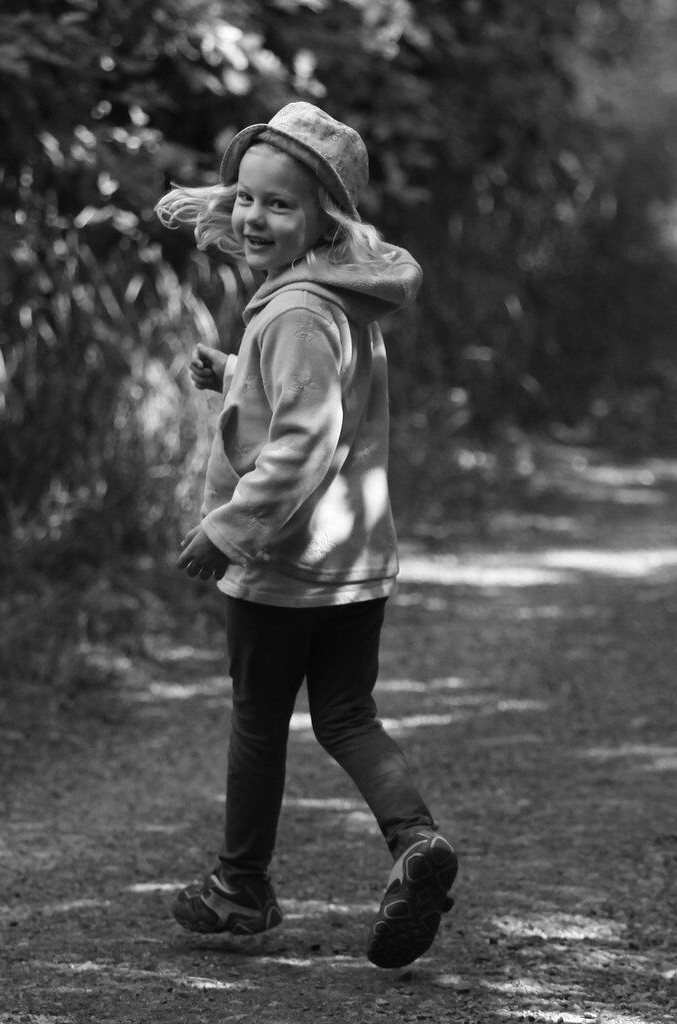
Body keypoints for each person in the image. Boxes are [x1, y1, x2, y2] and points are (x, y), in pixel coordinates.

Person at [154, 101, 457, 970]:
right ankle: (416, 841)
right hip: (353, 563)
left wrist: (228, 529)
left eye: (278, 204)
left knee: (258, 720)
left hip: (284, 562)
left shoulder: (294, 311)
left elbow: (302, 443)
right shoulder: (340, 294)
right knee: (347, 715)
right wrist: (236, 373)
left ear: (324, 218)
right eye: (245, 198)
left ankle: (240, 887)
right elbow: (316, 397)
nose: (251, 216)